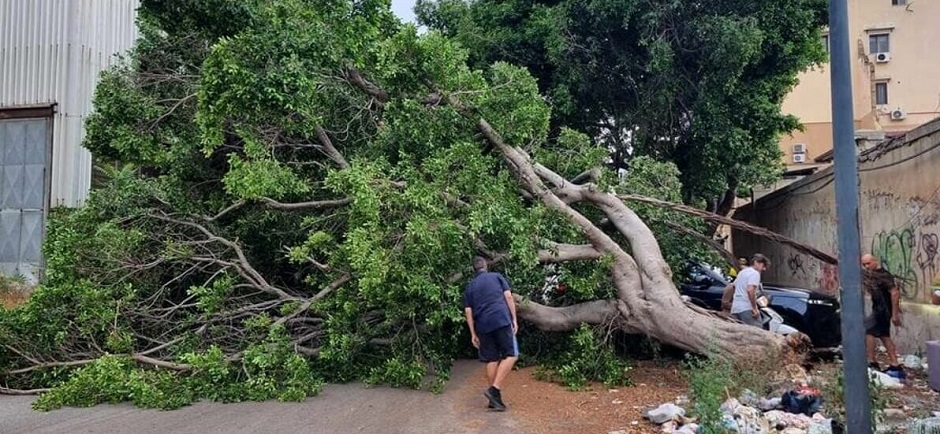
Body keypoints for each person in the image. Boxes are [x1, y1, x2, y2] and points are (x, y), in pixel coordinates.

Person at [464, 256, 519, 412]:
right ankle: (494, 389)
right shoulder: (496, 276)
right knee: (512, 355)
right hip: (501, 319)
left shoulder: (470, 286)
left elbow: (468, 311)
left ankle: (495, 400)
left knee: (492, 359)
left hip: (482, 325)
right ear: (485, 266)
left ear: (474, 270)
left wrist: (473, 333)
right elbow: (508, 296)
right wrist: (514, 319)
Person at [861, 254, 902, 373]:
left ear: (875, 261)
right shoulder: (872, 275)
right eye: (864, 264)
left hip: (883, 311)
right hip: (878, 310)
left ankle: (872, 362)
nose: (866, 266)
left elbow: (895, 293)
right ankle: (895, 364)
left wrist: (894, 314)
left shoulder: (884, 275)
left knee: (868, 330)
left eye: (868, 263)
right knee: (884, 336)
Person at [730, 254, 770, 327]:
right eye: (763, 266)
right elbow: (750, 290)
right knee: (757, 331)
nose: (764, 269)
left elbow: (731, 286)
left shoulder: (742, 272)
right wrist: (754, 308)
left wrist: (725, 301)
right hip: (746, 308)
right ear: (756, 262)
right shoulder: (755, 274)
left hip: (735, 308)